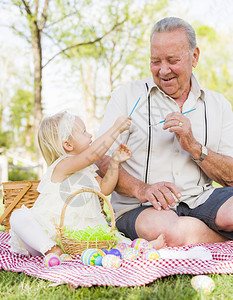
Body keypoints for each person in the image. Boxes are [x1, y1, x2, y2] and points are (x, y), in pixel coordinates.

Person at [96, 17, 233, 247]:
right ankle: (217, 239)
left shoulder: (218, 104)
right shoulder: (126, 96)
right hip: (141, 208)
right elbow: (100, 158)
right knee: (168, 233)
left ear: (195, 57)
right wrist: (142, 189)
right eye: (155, 61)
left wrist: (194, 147)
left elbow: (230, 175)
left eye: (172, 60)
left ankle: (194, 235)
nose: (163, 70)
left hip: (202, 199)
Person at [9, 111, 135, 257]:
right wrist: (116, 129)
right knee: (18, 216)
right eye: (84, 132)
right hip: (51, 233)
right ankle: (51, 249)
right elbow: (93, 154)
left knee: (117, 241)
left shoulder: (88, 169)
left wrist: (114, 162)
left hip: (80, 237)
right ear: (68, 145)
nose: (90, 135)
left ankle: (139, 248)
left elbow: (105, 189)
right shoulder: (63, 165)